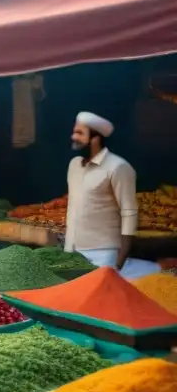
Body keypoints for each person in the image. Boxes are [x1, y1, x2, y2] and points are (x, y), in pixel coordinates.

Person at [65, 112, 158, 279]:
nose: (73, 136)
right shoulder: (74, 166)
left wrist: (120, 259)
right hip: (72, 251)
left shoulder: (118, 167)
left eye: (79, 133)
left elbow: (129, 212)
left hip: (103, 252)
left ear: (96, 138)